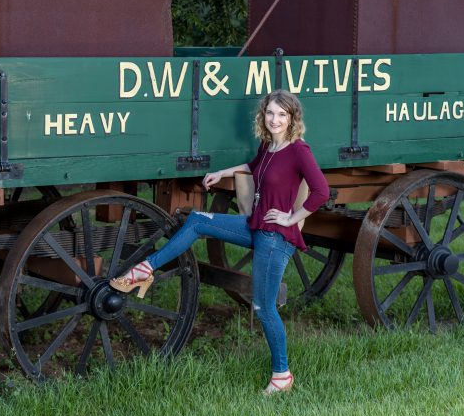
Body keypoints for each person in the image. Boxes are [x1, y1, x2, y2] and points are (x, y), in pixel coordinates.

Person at [110, 89, 329, 394]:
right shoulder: (270, 145)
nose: (275, 119)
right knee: (198, 220)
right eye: (270, 113)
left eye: (282, 114)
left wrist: (292, 219)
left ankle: (282, 375)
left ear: (292, 118)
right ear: (262, 115)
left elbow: (321, 191)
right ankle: (145, 269)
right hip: (256, 225)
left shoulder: (298, 151)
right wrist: (221, 173)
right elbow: (254, 167)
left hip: (276, 238)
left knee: (265, 308)